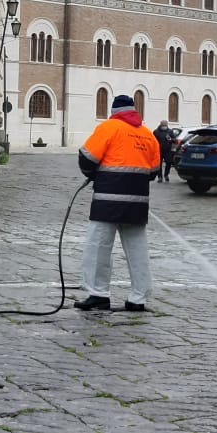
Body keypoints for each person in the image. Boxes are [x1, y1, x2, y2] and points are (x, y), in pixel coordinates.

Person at [75, 95, 161, 312]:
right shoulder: (148, 134)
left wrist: (94, 174)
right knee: (137, 250)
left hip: (108, 200)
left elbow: (86, 158)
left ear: (114, 111)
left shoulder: (109, 128)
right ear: (133, 111)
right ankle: (138, 298)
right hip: (137, 202)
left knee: (99, 247)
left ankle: (98, 294)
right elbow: (153, 171)